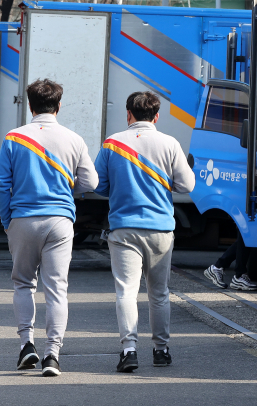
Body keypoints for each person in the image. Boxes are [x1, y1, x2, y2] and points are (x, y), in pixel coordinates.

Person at [0, 79, 98, 377]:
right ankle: (53, 355)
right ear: (59, 105)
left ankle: (27, 345)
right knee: (57, 289)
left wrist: (7, 220)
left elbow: (0, 183)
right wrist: (66, 190)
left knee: (23, 284)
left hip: (23, 219)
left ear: (30, 105)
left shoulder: (15, 137)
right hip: (60, 221)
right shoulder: (74, 139)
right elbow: (91, 183)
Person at [94, 91, 195, 372]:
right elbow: (187, 186)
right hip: (161, 229)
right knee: (159, 292)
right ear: (157, 116)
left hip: (123, 228)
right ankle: (161, 350)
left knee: (126, 291)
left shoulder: (112, 144)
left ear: (128, 114)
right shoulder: (170, 144)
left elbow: (98, 186)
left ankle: (129, 351)